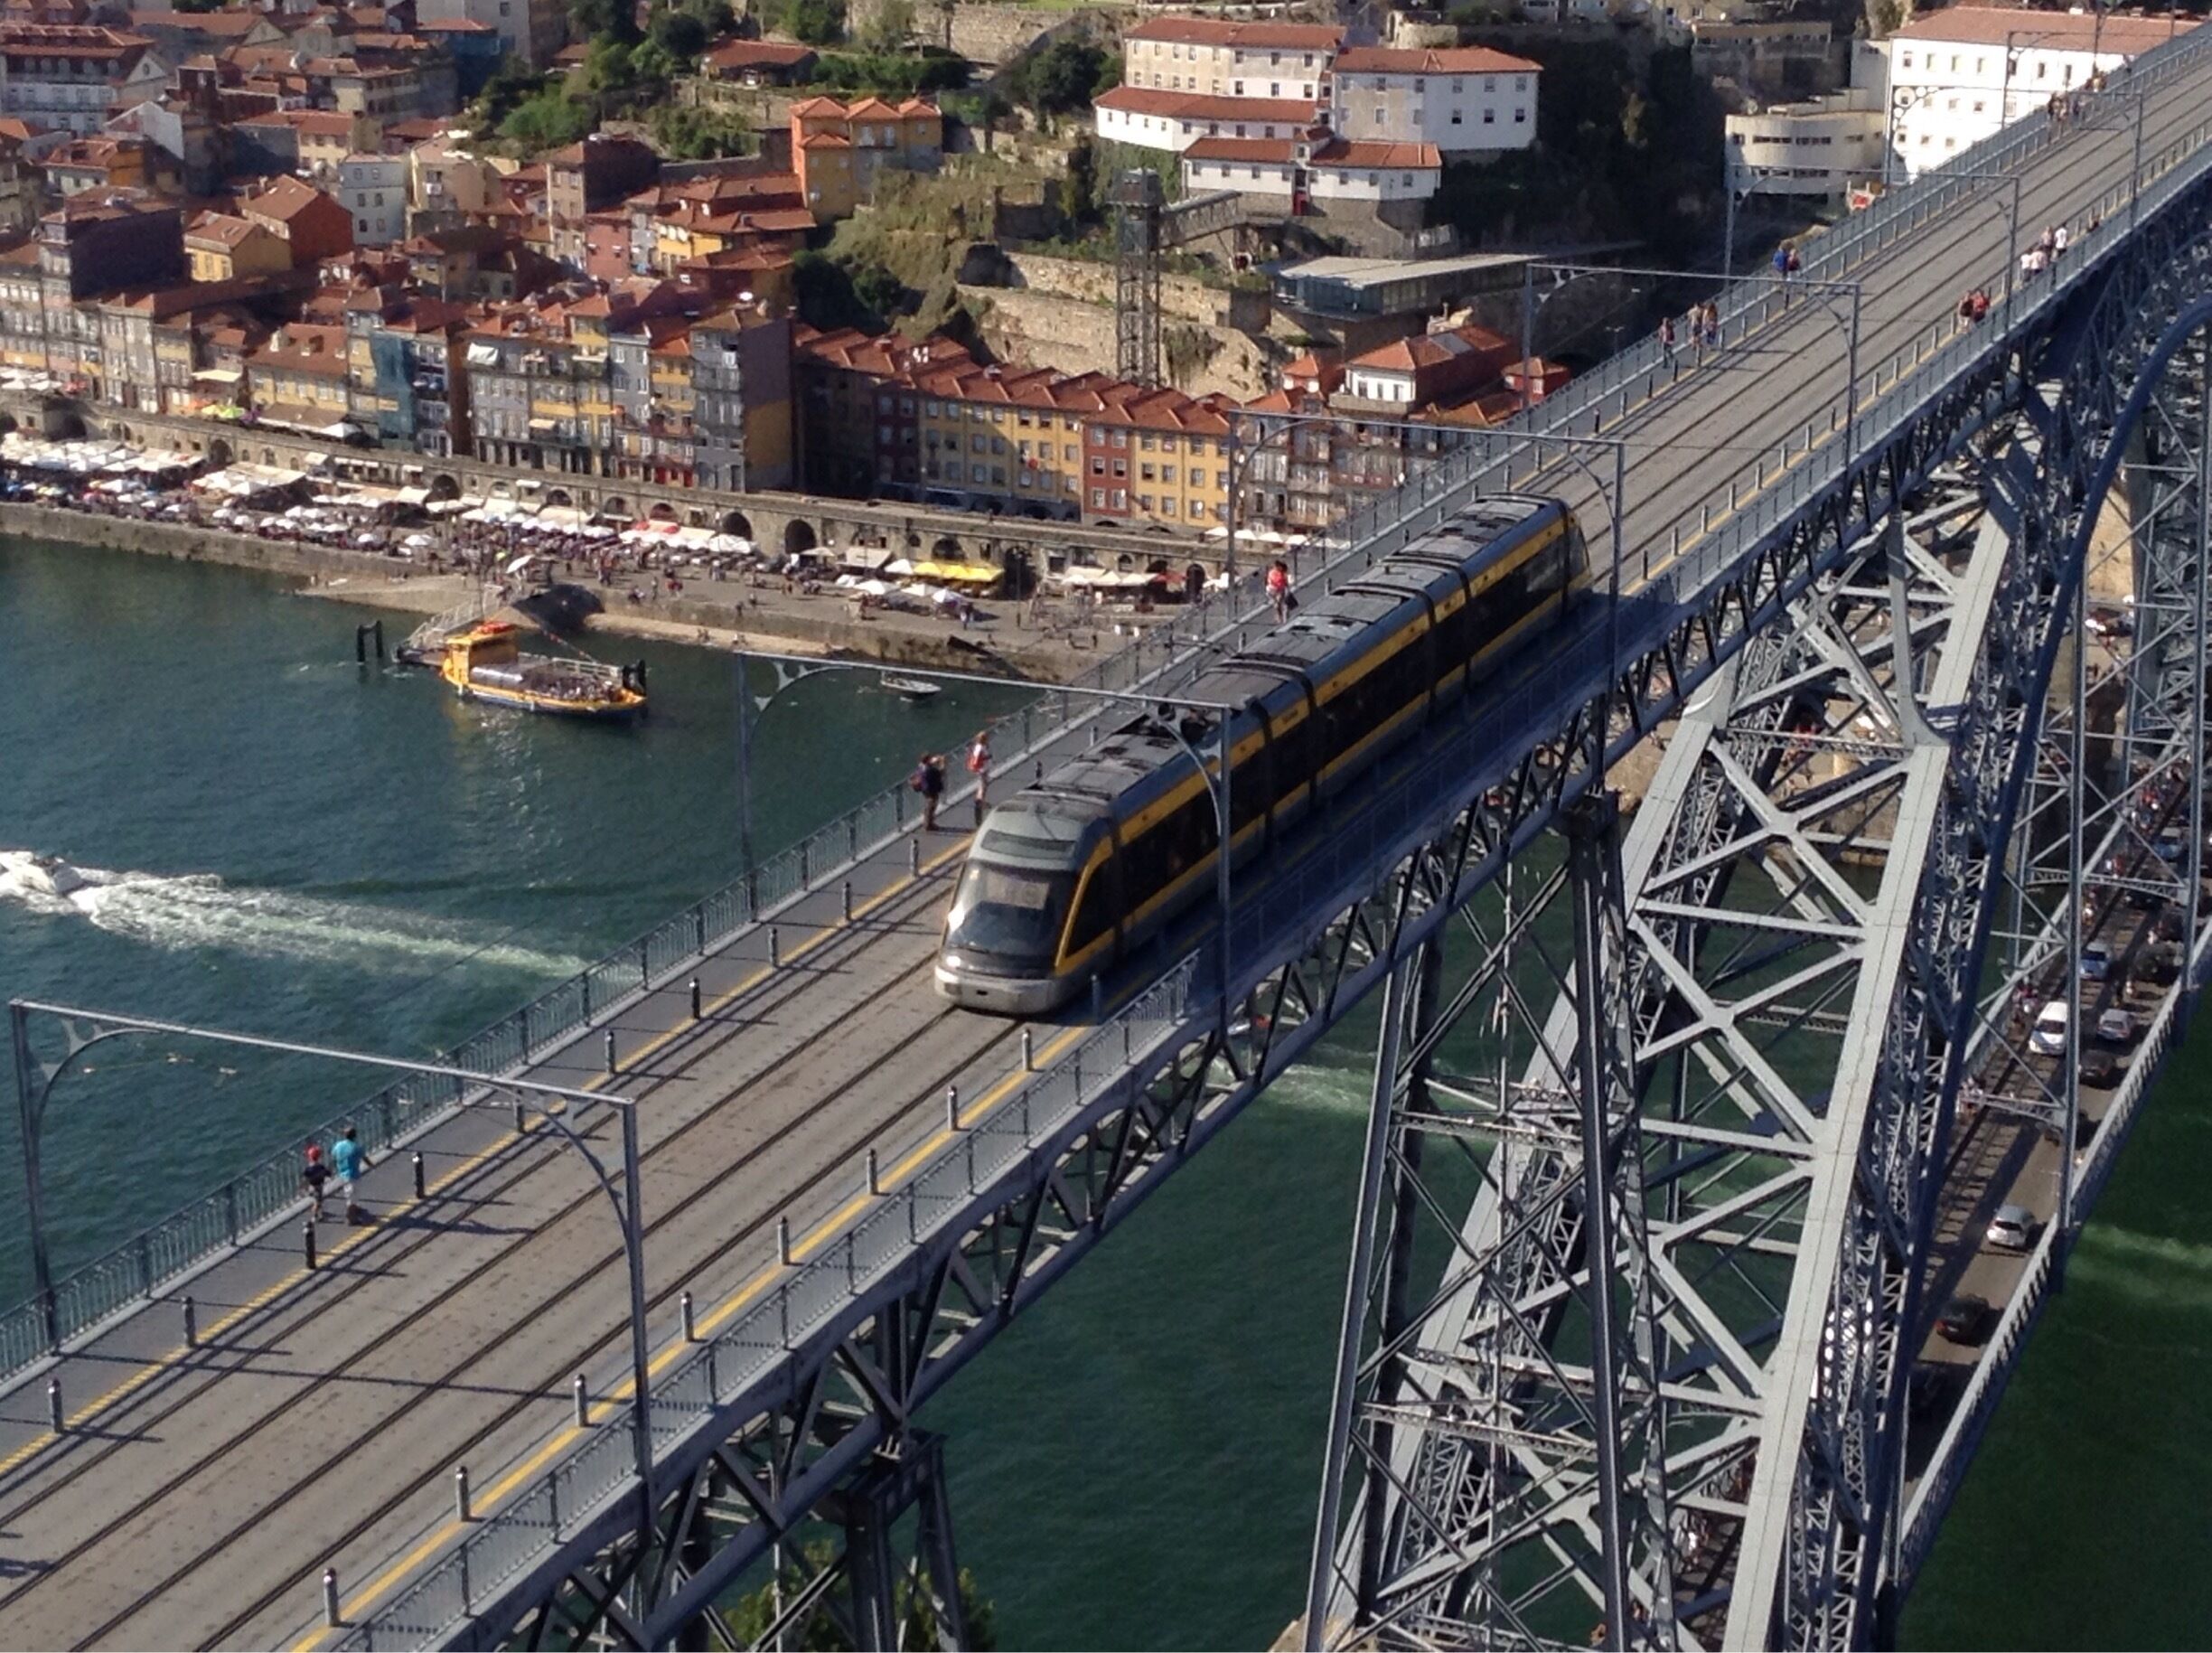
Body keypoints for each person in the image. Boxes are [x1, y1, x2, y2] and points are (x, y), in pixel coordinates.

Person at [331, 1125, 369, 1226]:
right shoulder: (356, 1147)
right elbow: (364, 1158)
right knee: (352, 1196)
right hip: (353, 1175)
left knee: (350, 1194)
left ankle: (354, 1208)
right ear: (354, 1135)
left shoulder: (338, 1145)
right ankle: (351, 1218)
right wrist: (372, 1165)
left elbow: (334, 1158)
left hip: (342, 1174)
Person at [914, 750, 947, 831]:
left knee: (929, 804)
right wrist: (943, 762)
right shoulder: (930, 770)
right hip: (931, 789)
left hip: (924, 788)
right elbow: (941, 772)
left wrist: (934, 761)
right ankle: (929, 824)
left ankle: (927, 822)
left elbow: (927, 765)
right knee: (932, 806)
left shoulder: (921, 767)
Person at [966, 729, 992, 825]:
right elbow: (976, 760)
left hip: (984, 769)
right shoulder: (979, 748)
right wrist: (987, 758)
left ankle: (981, 801)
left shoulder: (982, 746)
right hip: (982, 770)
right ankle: (980, 802)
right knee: (983, 786)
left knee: (984, 785)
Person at [301, 1141, 330, 1222]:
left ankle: (318, 1213)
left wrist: (303, 1188)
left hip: (311, 1186)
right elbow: (328, 1173)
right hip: (318, 1186)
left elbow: (305, 1179)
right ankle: (315, 1216)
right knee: (318, 1202)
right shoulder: (321, 1167)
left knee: (316, 1200)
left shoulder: (308, 1169)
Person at [1266, 559, 1290, 624]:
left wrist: (1287, 587)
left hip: (1279, 590)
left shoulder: (1282, 573)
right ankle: (1280, 617)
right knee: (1277, 604)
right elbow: (1270, 581)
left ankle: (1280, 617)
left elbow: (1285, 582)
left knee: (1279, 603)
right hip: (1273, 590)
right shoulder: (1272, 572)